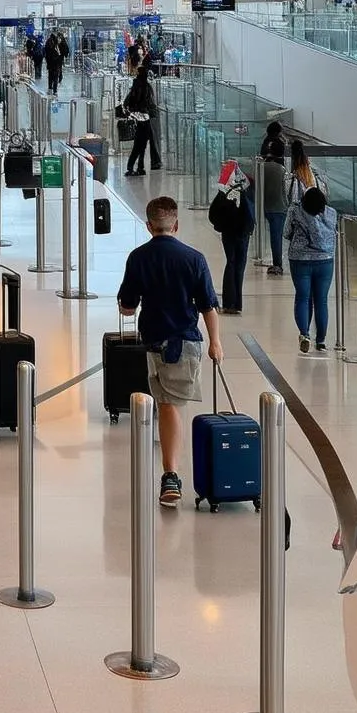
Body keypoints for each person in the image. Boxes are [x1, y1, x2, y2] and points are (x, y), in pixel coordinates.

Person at [117, 196, 223, 507]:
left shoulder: (138, 257)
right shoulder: (194, 258)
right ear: (175, 225)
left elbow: (127, 307)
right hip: (184, 342)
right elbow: (208, 306)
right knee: (169, 405)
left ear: (149, 226)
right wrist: (215, 342)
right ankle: (171, 473)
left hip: (153, 343)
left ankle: (171, 475)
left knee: (167, 406)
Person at [283, 187, 337, 353]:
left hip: (300, 260)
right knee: (321, 300)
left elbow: (286, 233)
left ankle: (304, 334)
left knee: (303, 297)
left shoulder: (296, 211)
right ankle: (320, 341)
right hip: (325, 260)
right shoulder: (332, 213)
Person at [208, 161, 255, 315]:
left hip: (228, 234)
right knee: (240, 267)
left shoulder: (223, 194)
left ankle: (229, 302)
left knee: (231, 263)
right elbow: (249, 215)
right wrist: (248, 230)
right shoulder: (244, 192)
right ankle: (237, 304)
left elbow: (212, 214)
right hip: (242, 235)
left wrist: (220, 226)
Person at [123, 67, 160, 177]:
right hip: (145, 118)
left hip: (138, 118)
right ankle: (138, 167)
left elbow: (126, 103)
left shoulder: (135, 87)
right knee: (141, 146)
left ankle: (136, 167)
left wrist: (130, 113)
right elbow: (149, 103)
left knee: (138, 145)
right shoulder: (146, 87)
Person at [263, 151, 288, 276]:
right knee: (276, 237)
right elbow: (285, 189)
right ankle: (277, 264)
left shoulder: (261, 168)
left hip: (264, 207)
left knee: (270, 236)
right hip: (279, 208)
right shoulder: (282, 169)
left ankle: (266, 257)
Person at [288, 139, 327, 203]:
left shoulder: (295, 158)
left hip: (302, 178)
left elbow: (295, 171)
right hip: (308, 178)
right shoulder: (304, 157)